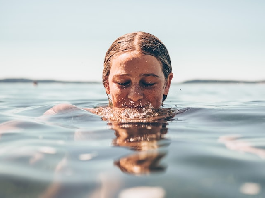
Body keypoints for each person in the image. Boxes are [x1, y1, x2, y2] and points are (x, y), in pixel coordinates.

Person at [44, 31, 174, 117]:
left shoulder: (184, 118)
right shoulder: (71, 114)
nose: (135, 96)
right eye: (123, 83)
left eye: (148, 83)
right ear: (107, 84)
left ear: (167, 84)